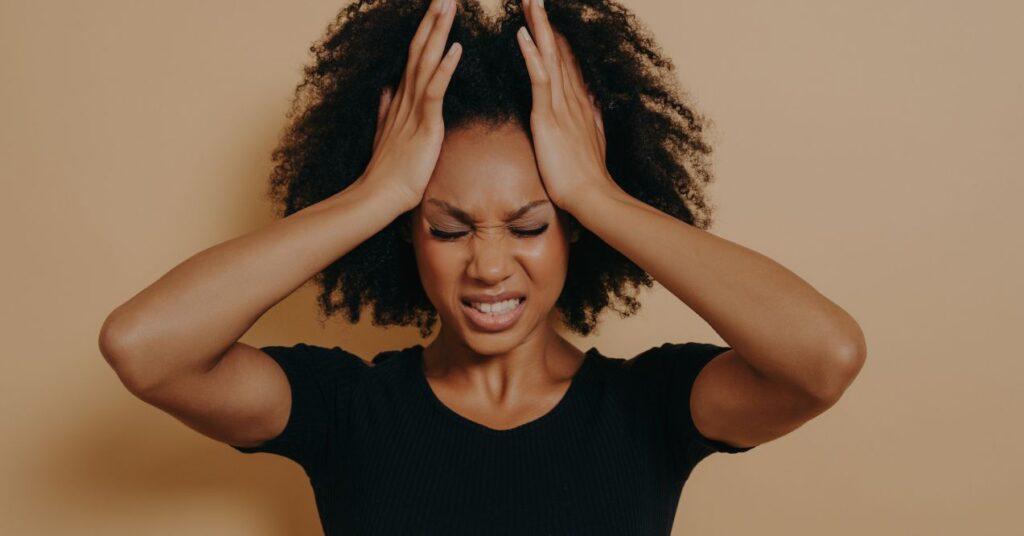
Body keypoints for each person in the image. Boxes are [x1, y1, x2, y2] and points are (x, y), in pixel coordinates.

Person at [98, 0, 867, 533]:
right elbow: (144, 347)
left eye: (531, 224)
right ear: (408, 236)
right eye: (448, 227)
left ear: (575, 233)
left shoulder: (649, 410)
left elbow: (824, 357)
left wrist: (597, 193)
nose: (490, 265)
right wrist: (378, 191)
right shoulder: (348, 412)